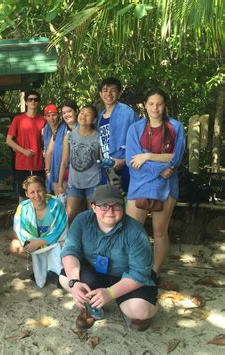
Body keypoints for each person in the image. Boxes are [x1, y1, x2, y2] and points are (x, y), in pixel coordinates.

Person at [60, 185, 158, 332]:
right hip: (94, 272)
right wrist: (74, 281)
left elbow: (139, 273)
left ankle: (121, 300)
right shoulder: (82, 220)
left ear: (123, 207)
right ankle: (90, 308)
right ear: (93, 207)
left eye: (116, 206)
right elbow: (70, 251)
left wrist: (110, 293)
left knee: (140, 311)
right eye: (104, 206)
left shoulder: (136, 231)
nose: (110, 211)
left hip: (126, 277)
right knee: (65, 278)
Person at [125, 89, 185, 273]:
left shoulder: (176, 127)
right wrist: (161, 167)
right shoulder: (135, 128)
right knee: (132, 232)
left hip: (166, 186)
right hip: (140, 184)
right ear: (145, 105)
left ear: (164, 105)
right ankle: (133, 269)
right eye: (151, 103)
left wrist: (148, 155)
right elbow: (132, 160)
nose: (155, 108)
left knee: (159, 232)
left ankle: (154, 271)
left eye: (159, 103)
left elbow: (177, 158)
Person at [10, 176, 67, 288]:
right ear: (27, 194)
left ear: (45, 189)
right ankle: (43, 266)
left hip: (54, 242)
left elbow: (61, 229)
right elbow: (19, 230)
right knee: (14, 246)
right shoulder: (23, 207)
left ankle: (59, 271)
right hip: (33, 243)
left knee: (66, 244)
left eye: (39, 190)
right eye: (32, 192)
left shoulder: (56, 204)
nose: (36, 195)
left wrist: (40, 242)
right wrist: (33, 243)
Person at [97, 77, 139, 191]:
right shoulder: (100, 116)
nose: (108, 94)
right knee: (110, 205)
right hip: (107, 168)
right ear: (100, 94)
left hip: (126, 166)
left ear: (119, 93)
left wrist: (124, 161)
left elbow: (139, 141)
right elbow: (101, 143)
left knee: (127, 202)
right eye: (105, 90)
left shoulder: (128, 113)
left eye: (113, 90)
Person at [64, 105, 102, 224]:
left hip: (93, 182)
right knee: (69, 217)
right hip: (74, 182)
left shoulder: (98, 137)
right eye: (82, 113)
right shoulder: (69, 136)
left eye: (88, 114)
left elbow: (102, 160)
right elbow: (64, 161)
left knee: (94, 217)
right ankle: (70, 242)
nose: (83, 116)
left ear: (94, 120)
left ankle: (94, 242)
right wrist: (60, 182)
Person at [6, 90, 46, 201]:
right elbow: (9, 140)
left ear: (38, 102)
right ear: (26, 102)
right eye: (30, 99)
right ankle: (22, 218)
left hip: (39, 164)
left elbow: (46, 142)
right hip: (22, 164)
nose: (33, 101)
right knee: (23, 196)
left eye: (35, 100)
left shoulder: (43, 120)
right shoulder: (18, 119)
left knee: (39, 195)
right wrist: (23, 151)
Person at [43, 104, 68, 194]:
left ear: (59, 115)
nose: (51, 118)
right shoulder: (46, 129)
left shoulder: (65, 127)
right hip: (51, 170)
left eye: (54, 115)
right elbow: (47, 151)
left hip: (64, 168)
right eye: (48, 116)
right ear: (45, 117)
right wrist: (47, 171)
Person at [56, 100, 79, 196]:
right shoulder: (61, 130)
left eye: (69, 111)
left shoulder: (86, 129)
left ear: (76, 111)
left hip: (83, 176)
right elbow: (63, 161)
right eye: (64, 113)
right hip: (65, 175)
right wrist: (59, 183)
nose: (66, 115)